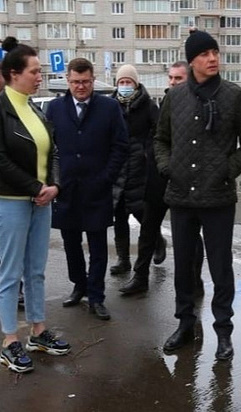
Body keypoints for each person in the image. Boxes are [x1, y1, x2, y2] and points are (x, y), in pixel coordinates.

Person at [155, 30, 241, 360]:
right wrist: (167, 167)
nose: (212, 58)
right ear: (192, 61)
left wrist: (226, 171)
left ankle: (224, 332)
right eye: (204, 54)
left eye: (214, 52)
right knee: (184, 265)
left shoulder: (233, 95)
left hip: (218, 199)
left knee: (220, 267)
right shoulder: (175, 98)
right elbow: (160, 140)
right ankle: (185, 325)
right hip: (181, 198)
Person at [0, 36, 71, 374]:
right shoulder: (2, 110)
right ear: (14, 74)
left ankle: (38, 332)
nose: (40, 77)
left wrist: (53, 185)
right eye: (34, 71)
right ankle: (9, 340)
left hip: (41, 201)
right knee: (10, 273)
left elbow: (52, 151)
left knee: (36, 270)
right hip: (12, 201)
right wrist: (34, 187)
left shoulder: (35, 109)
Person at [46, 58, 128, 321]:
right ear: (67, 82)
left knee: (98, 246)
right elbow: (49, 148)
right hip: (66, 189)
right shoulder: (54, 108)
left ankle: (96, 296)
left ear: (93, 81)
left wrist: (107, 177)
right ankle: (78, 285)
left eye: (85, 82)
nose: (80, 87)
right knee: (71, 243)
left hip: (97, 188)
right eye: (75, 82)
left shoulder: (109, 107)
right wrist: (54, 181)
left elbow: (120, 146)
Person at [119, 60, 206, 296]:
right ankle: (140, 277)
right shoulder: (166, 102)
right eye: (170, 78)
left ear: (189, 79)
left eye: (178, 78)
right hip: (160, 175)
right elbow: (158, 138)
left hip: (187, 179)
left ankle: (194, 279)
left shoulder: (201, 104)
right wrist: (158, 163)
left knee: (189, 232)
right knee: (148, 228)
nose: (172, 82)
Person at [109, 64, 166, 276]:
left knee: (142, 213)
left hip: (140, 168)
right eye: (121, 82)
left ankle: (157, 240)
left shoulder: (148, 106)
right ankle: (123, 259)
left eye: (128, 82)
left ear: (136, 83)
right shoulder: (110, 105)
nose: (124, 85)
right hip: (117, 169)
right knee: (119, 216)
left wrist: (146, 153)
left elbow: (159, 133)